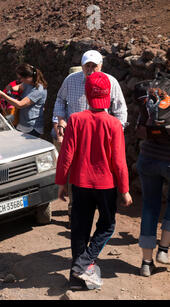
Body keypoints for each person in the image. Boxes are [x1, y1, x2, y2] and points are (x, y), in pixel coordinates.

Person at [55, 72, 132, 291]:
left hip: (80, 184)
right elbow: (119, 161)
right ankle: (83, 263)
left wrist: (61, 182)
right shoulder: (114, 124)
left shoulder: (76, 120)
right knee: (107, 226)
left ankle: (75, 277)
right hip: (106, 185)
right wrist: (125, 189)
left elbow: (66, 155)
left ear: (88, 96)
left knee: (80, 229)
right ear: (108, 96)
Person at [53, 50, 128, 225]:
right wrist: (61, 122)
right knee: (74, 171)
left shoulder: (111, 82)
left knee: (102, 172)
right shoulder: (70, 80)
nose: (91, 69)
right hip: (76, 134)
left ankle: (101, 214)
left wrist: (115, 130)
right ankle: (75, 213)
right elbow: (59, 100)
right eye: (87, 65)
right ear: (82, 65)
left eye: (94, 66)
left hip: (101, 136)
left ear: (101, 65)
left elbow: (120, 110)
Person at [134, 84, 170, 276]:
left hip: (147, 157)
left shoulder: (154, 90)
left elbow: (140, 128)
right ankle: (163, 250)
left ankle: (146, 264)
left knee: (149, 207)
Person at [0, 63, 47, 137]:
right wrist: (10, 88)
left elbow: (20, 104)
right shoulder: (29, 83)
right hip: (23, 123)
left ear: (28, 77)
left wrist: (2, 95)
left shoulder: (38, 90)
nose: (19, 80)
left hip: (32, 127)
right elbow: (19, 87)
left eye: (20, 78)